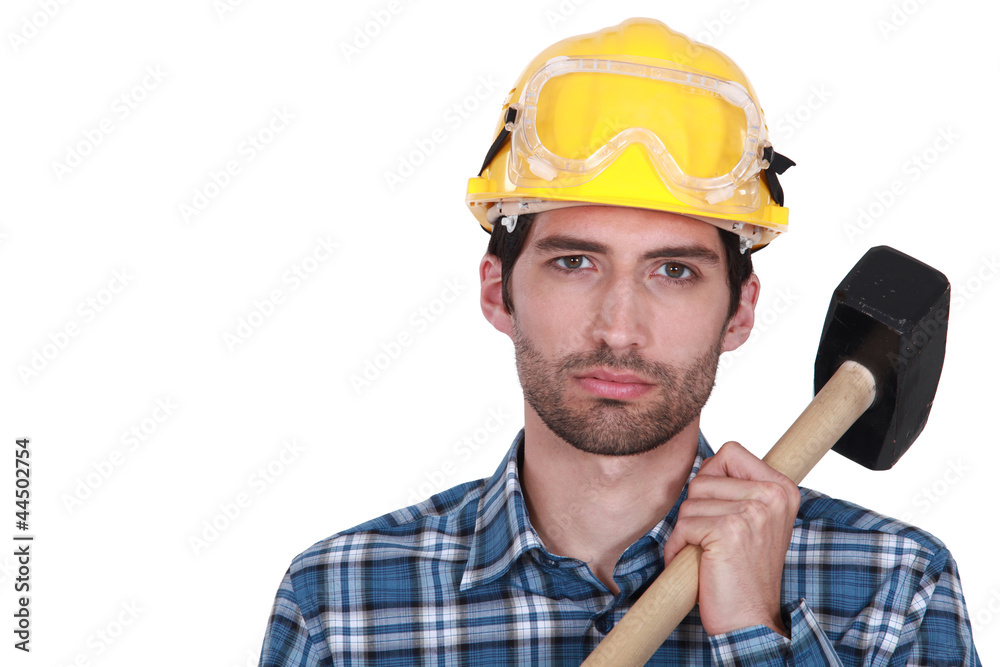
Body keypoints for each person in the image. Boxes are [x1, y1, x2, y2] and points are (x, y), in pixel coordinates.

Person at [257, 18, 981, 665]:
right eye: (575, 262)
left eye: (673, 270)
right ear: (496, 291)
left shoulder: (896, 588)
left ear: (740, 311)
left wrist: (754, 635)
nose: (619, 328)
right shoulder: (340, 607)